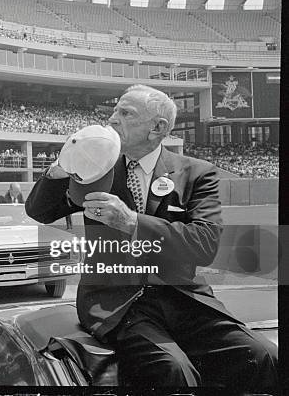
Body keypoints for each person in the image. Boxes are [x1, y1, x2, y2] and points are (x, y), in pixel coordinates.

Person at [25, 84, 277, 389]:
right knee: (171, 369)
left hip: (185, 298)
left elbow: (205, 245)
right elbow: (40, 212)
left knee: (263, 355)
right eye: (114, 110)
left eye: (125, 113)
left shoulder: (196, 173)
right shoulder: (94, 167)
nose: (112, 119)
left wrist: (132, 222)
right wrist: (59, 167)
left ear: (157, 128)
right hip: (117, 302)